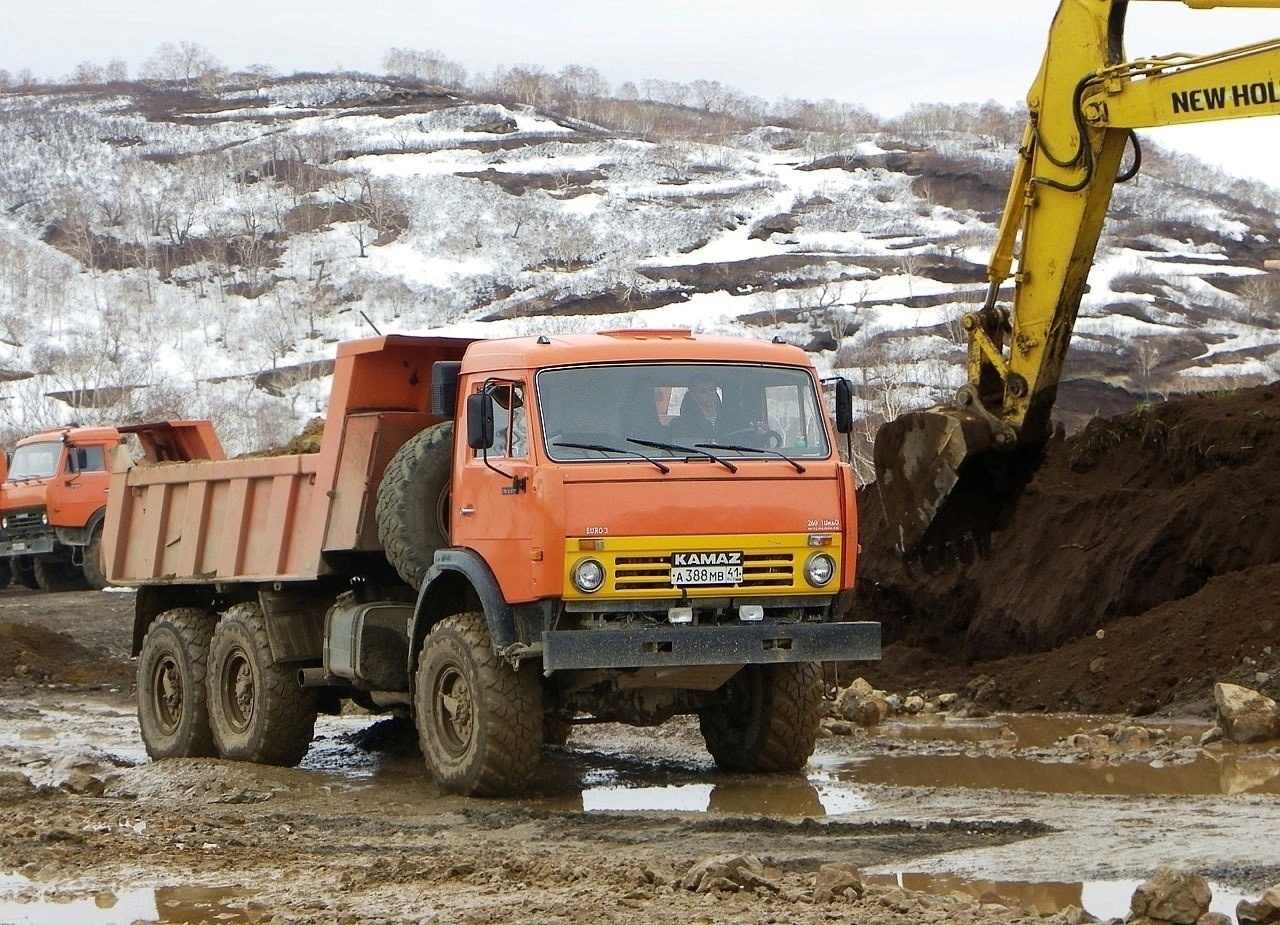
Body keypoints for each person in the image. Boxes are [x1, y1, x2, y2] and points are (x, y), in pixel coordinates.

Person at [671, 376, 721, 441]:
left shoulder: (731, 419)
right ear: (693, 396)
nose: (710, 394)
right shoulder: (684, 426)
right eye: (703, 391)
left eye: (712, 390)